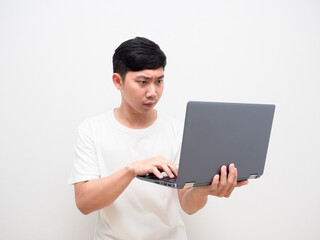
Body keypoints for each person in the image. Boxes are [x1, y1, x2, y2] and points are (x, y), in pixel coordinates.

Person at [69, 37, 248, 240]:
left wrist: (202, 191)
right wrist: (132, 169)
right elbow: (84, 203)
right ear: (118, 81)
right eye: (143, 82)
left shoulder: (178, 130)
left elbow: (188, 205)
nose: (153, 92)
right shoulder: (92, 130)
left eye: (159, 81)